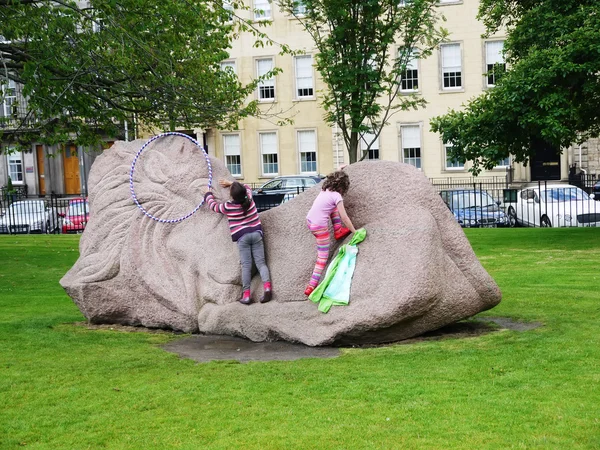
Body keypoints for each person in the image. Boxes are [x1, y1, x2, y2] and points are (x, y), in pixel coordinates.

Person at [203, 179, 272, 305]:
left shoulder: (228, 206)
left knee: (246, 266)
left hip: (243, 237)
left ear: (231, 195)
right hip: (256, 234)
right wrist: (232, 183)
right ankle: (267, 288)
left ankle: (246, 295)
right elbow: (247, 187)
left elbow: (213, 206)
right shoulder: (249, 199)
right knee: (261, 263)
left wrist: (208, 194)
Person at [304, 170, 356, 296]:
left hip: (310, 221)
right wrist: (355, 231)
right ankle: (311, 286)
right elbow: (344, 217)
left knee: (332, 208)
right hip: (320, 228)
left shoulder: (325, 190)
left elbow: (335, 174)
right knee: (322, 258)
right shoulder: (337, 196)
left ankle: (338, 230)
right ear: (343, 187)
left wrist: (341, 168)